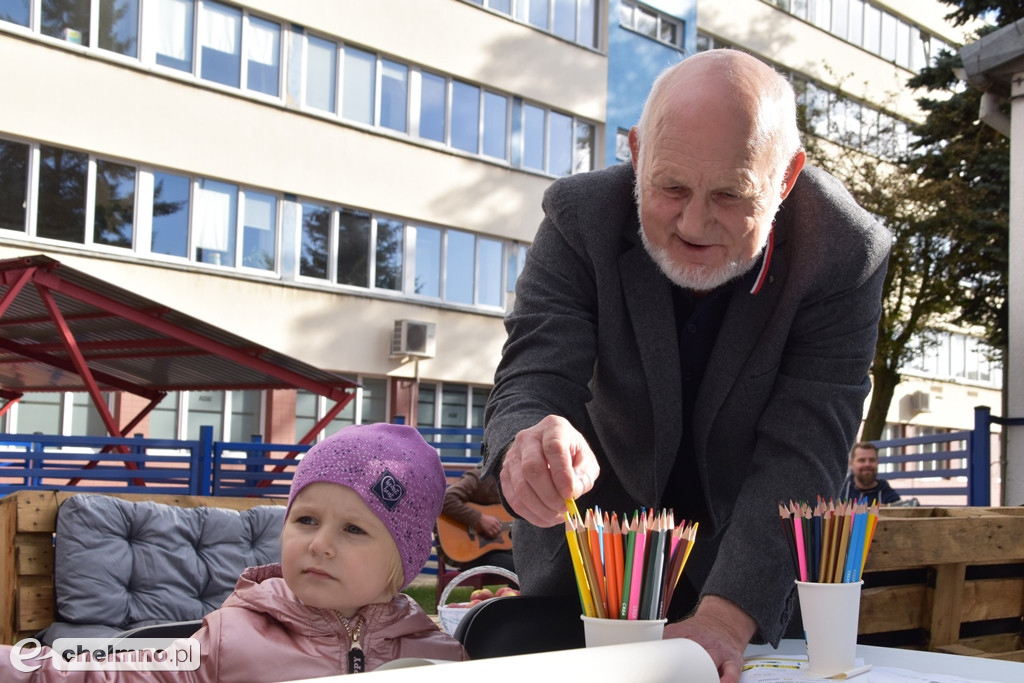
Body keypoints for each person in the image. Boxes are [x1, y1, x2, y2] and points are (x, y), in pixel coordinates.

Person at [482, 49, 890, 683]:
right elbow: (534, 371)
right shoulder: (579, 217)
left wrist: (725, 619)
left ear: (786, 179)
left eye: (731, 194)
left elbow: (806, 445)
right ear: (636, 153)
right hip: (599, 557)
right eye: (670, 187)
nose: (695, 223)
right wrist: (528, 441)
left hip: (752, 561)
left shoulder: (843, 252)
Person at [2, 423, 467, 681]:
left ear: (403, 560)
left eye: (353, 529)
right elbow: (107, 673)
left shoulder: (445, 660)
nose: (319, 544)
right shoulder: (229, 640)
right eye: (306, 520)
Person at [439, 466, 516, 573]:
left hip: (505, 550)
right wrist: (479, 519)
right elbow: (446, 499)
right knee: (519, 568)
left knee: (529, 564)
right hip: (474, 554)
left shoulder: (519, 484)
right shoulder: (479, 477)